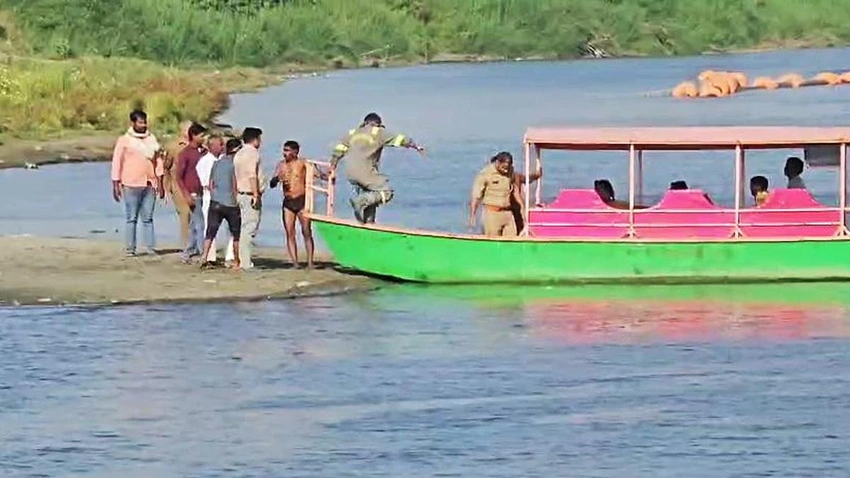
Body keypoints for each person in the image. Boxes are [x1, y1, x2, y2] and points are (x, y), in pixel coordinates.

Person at [329, 112, 425, 224]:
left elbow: (338, 151)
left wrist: (333, 165)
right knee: (386, 192)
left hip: (350, 173)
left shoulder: (352, 133)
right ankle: (361, 201)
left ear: (364, 123)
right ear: (378, 124)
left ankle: (368, 223)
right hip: (365, 172)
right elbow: (400, 139)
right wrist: (415, 146)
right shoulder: (378, 132)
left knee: (371, 193)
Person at [110, 109, 165, 257]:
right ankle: (130, 249)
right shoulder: (125, 140)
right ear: (133, 123)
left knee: (148, 218)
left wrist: (160, 182)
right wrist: (115, 184)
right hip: (130, 184)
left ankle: (149, 247)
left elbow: (158, 160)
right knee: (131, 218)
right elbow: (117, 162)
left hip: (149, 183)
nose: (143, 125)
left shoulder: (151, 139)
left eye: (144, 122)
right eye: (140, 122)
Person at [270, 140, 321, 269]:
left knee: (306, 231)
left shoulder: (303, 163)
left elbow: (318, 174)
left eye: (287, 150)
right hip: (288, 202)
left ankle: (310, 262)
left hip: (302, 200)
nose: (284, 153)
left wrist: (328, 175)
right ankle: (295, 263)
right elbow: (272, 183)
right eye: (284, 150)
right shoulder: (281, 165)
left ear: (295, 151)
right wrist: (277, 179)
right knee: (290, 232)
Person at [200, 138, 243, 270]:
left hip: (215, 201)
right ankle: (236, 260)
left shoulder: (217, 163)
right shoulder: (234, 165)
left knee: (210, 232)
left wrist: (214, 196)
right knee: (236, 234)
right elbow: (235, 185)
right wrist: (237, 199)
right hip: (229, 203)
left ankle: (204, 256)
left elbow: (211, 184)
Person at [470, 152, 524, 237]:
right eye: (504, 167)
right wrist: (473, 216)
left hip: (507, 213)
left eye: (508, 167)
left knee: (512, 240)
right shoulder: (486, 174)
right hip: (492, 214)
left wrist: (522, 206)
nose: (506, 170)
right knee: (493, 241)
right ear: (498, 162)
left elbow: (514, 189)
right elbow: (476, 196)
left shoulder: (511, 171)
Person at [176, 122, 208, 263]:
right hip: (192, 192)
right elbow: (178, 176)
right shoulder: (185, 154)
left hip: (204, 192)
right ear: (193, 136)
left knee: (198, 222)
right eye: (201, 135)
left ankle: (193, 249)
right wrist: (186, 194)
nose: (203, 138)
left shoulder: (204, 152)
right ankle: (199, 250)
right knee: (198, 222)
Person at [234, 127, 263, 270]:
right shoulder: (252, 153)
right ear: (255, 139)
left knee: (244, 227)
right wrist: (256, 194)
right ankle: (246, 262)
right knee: (249, 228)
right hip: (249, 193)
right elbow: (252, 175)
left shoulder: (239, 153)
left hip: (240, 193)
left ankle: (242, 259)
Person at [163, 121, 192, 249]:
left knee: (197, 215)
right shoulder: (173, 146)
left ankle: (197, 243)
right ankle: (186, 245)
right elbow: (166, 166)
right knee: (185, 214)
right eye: (188, 130)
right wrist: (166, 186)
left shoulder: (200, 145)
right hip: (178, 185)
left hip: (195, 184)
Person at [196, 135, 225, 262]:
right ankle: (210, 256)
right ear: (212, 146)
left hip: (224, 196)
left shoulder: (224, 160)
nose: (222, 147)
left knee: (228, 226)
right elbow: (205, 182)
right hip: (210, 196)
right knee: (210, 226)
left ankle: (229, 255)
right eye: (220, 144)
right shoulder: (204, 161)